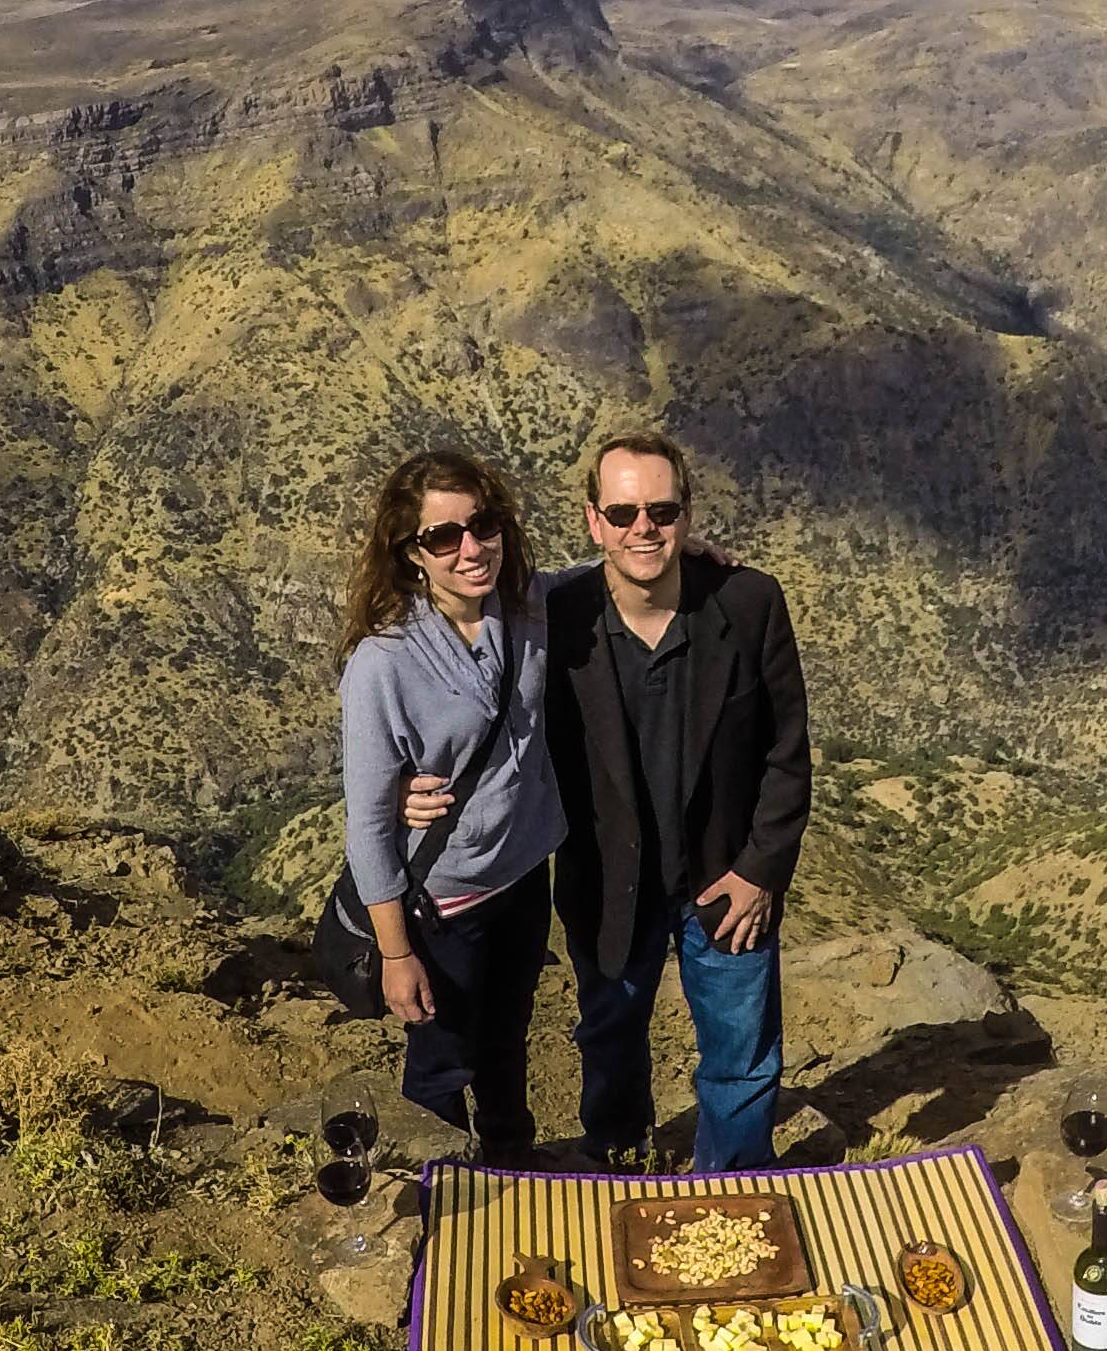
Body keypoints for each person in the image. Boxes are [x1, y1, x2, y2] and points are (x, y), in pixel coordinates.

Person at [538, 428, 811, 1170]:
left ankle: (731, 1188)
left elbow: (787, 753)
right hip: (607, 887)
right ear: (593, 520)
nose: (643, 529)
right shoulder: (557, 619)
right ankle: (620, 1166)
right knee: (610, 1043)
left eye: (661, 512)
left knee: (742, 1056)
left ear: (687, 517)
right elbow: (455, 636)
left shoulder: (749, 604)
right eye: (622, 514)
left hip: (726, 880)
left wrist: (762, 870)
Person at [336, 445, 566, 1163]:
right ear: (411, 554)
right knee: (441, 1062)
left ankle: (511, 1167)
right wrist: (395, 951)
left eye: (484, 524)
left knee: (507, 1041)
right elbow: (369, 826)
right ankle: (437, 1198)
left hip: (524, 877)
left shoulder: (525, 605)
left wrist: (685, 554)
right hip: (444, 907)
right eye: (444, 536)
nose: (472, 549)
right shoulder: (383, 662)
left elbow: (606, 579)